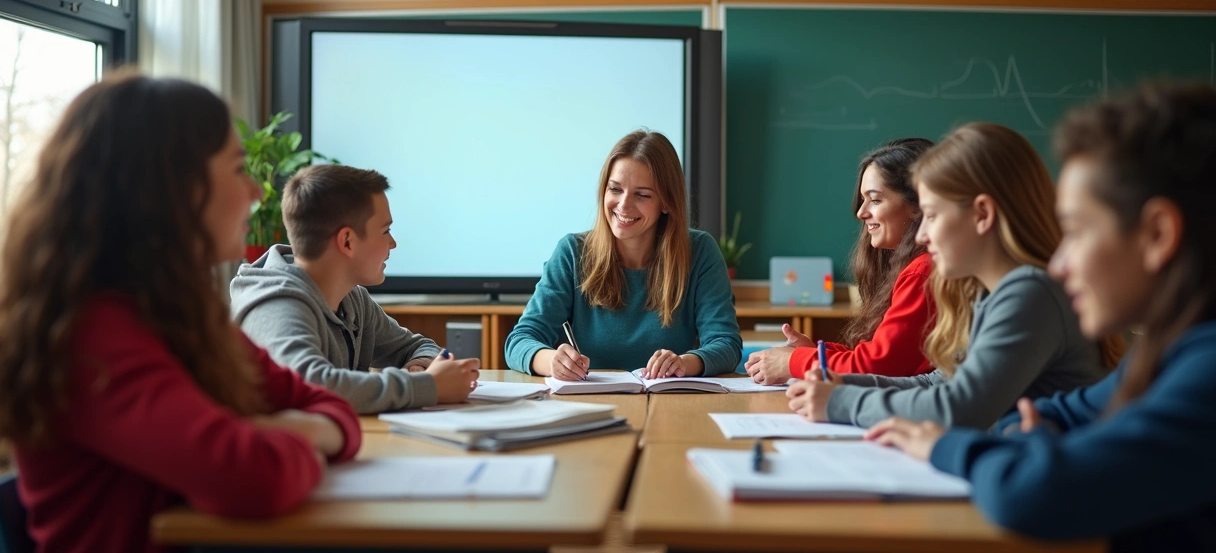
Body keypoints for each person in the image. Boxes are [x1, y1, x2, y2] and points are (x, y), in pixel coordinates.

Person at [0, 73, 362, 553]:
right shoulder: (91, 336)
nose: (256, 192)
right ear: (170, 187)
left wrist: (296, 428)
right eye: (237, 170)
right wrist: (295, 434)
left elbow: (330, 408)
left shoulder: (183, 315)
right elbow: (254, 477)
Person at [867, 84, 1216, 552]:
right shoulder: (1170, 351)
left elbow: (1035, 492)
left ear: (1157, 234)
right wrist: (1029, 438)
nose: (1059, 263)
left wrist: (943, 446)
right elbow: (1065, 412)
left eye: (1075, 230)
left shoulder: (1207, 369)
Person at [788, 122, 1122, 429]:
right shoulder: (991, 293)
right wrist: (841, 383)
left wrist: (841, 402)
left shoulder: (1030, 294)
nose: (921, 236)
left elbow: (958, 408)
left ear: (982, 215)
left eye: (931, 215)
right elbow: (941, 383)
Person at [230, 165, 480, 413]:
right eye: (386, 231)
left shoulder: (352, 298)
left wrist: (419, 365)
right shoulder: (275, 304)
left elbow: (416, 346)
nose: (393, 243)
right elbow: (309, 385)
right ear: (347, 241)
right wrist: (427, 385)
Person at [505, 129, 741, 380]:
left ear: (666, 202)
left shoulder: (700, 251)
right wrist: (552, 361)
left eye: (642, 195)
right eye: (615, 189)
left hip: (669, 404)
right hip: (587, 404)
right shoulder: (572, 253)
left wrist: (683, 364)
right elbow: (519, 341)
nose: (624, 205)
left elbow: (726, 344)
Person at [746, 138, 936, 384]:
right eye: (863, 200)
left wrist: (794, 362)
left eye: (875, 200)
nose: (861, 212)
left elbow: (878, 366)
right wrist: (812, 354)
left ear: (917, 205)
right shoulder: (915, 267)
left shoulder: (922, 272)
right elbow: (881, 357)